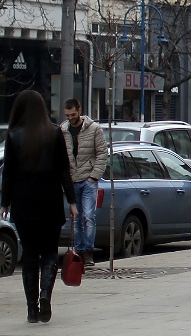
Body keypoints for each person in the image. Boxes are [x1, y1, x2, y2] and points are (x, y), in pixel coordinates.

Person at [0, 90, 77, 323]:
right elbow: (65, 170)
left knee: (30, 255)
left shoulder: (13, 135)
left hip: (24, 204)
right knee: (50, 252)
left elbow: (8, 173)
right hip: (50, 202)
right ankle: (45, 296)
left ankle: (31, 309)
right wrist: (72, 201)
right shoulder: (54, 133)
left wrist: (5, 202)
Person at [60, 98, 107, 267]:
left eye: (73, 114)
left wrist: (94, 176)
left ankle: (88, 251)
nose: (71, 118)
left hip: (88, 180)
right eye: (67, 115)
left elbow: (102, 153)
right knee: (76, 218)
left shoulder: (94, 129)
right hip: (72, 180)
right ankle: (79, 250)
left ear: (79, 110)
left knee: (88, 216)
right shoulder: (63, 130)